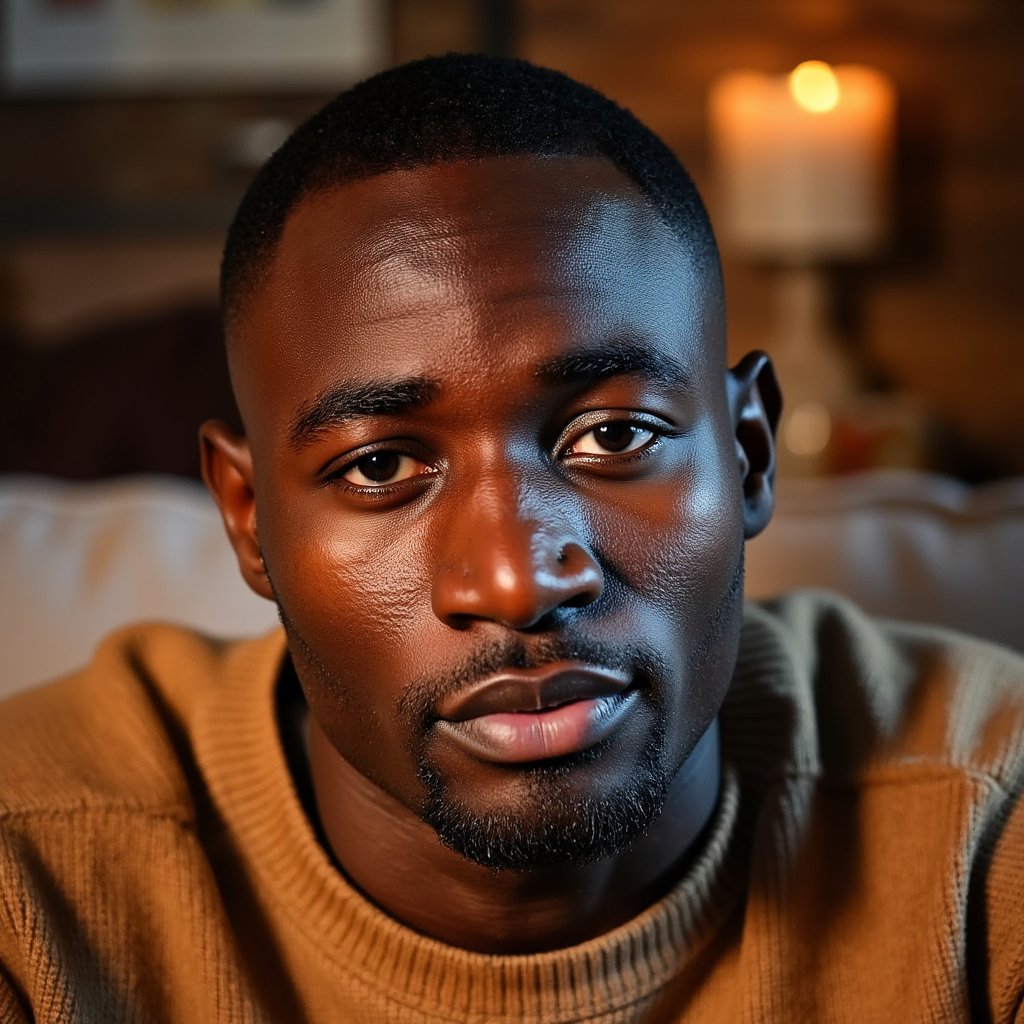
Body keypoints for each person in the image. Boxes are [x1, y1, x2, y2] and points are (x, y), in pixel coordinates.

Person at [1, 53, 1022, 1024]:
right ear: (249, 518)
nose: (518, 578)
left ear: (749, 454)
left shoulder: (987, 829)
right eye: (378, 465)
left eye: (614, 435)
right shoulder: (31, 875)